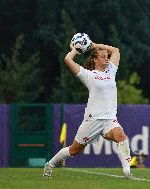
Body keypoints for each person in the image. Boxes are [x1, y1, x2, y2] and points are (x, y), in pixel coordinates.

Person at [43, 41, 132, 179]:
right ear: (95, 59)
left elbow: (116, 50)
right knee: (73, 150)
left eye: (107, 56)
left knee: (121, 137)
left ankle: (127, 172)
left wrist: (95, 45)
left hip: (109, 119)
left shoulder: (111, 70)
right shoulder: (88, 75)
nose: (107, 58)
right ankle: (49, 165)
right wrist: (75, 50)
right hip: (93, 120)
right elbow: (67, 60)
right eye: (103, 56)